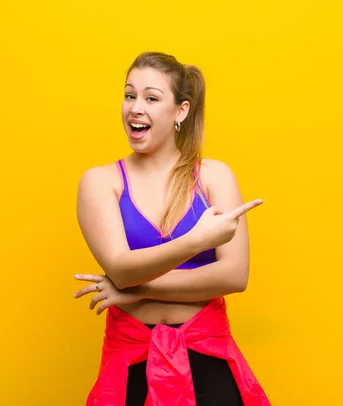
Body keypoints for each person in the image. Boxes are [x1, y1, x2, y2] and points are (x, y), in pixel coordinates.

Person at [74, 52, 272, 406]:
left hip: (207, 357)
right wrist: (196, 242)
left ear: (180, 111)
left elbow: (234, 276)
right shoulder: (100, 182)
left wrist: (137, 291)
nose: (135, 107)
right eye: (129, 95)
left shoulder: (213, 177)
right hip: (131, 361)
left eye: (151, 98)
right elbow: (120, 268)